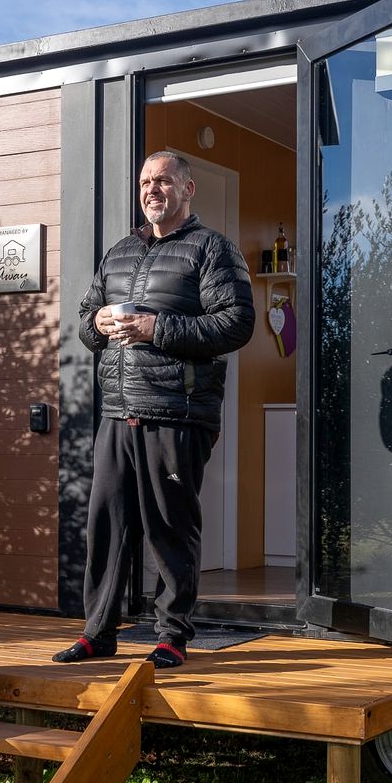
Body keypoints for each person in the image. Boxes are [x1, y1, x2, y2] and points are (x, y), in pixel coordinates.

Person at [54, 150, 254, 670]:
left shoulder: (212, 250)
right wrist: (97, 323)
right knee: (106, 527)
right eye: (146, 182)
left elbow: (236, 324)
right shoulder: (119, 253)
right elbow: (81, 320)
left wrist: (155, 328)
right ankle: (97, 632)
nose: (152, 189)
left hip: (177, 412)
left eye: (164, 181)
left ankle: (172, 634)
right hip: (118, 411)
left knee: (169, 527)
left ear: (188, 189)